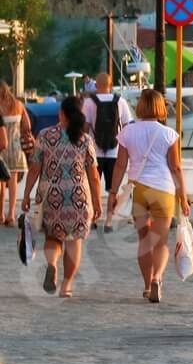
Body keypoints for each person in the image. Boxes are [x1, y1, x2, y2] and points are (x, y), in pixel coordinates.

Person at [109, 88, 191, 303]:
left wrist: (113, 192)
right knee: (160, 242)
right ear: (160, 107)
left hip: (139, 191)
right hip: (163, 190)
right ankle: (157, 278)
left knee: (144, 241)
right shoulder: (169, 134)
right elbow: (176, 168)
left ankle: (146, 286)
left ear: (140, 106)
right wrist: (183, 197)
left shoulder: (128, 132)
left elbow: (120, 165)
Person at [20, 96, 103, 298]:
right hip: (78, 198)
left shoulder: (45, 135)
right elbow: (93, 176)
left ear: (62, 113)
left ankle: (52, 265)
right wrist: (98, 201)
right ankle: (66, 286)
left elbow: (34, 169)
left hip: (51, 197)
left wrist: (26, 195)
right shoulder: (85, 139)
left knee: (52, 236)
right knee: (74, 241)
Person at [81, 73, 133, 212]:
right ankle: (110, 217)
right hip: (114, 151)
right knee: (112, 188)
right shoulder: (120, 101)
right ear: (110, 85)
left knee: (93, 183)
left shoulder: (88, 102)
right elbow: (127, 126)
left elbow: (85, 128)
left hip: (93, 151)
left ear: (96, 85)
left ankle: (94, 214)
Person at [0, 82, 28, 227]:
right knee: (12, 183)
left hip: (1, 149)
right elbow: (27, 127)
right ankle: (11, 214)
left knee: (1, 183)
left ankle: (0, 214)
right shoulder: (19, 105)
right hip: (16, 149)